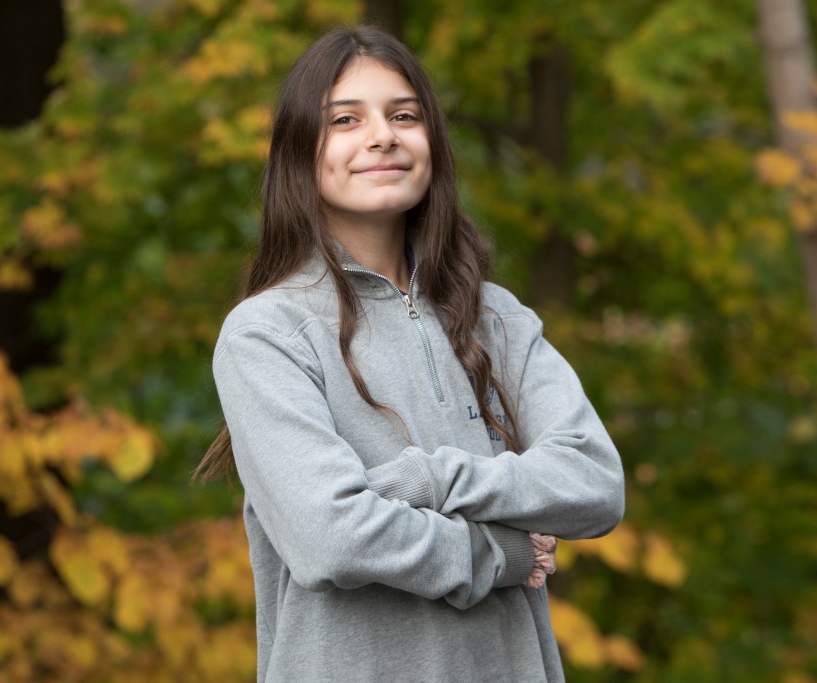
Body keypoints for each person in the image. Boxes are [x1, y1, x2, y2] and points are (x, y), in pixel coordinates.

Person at [194, 26, 625, 683]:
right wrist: (497, 552)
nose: (382, 136)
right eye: (346, 119)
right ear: (301, 151)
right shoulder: (268, 334)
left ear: (433, 145)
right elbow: (330, 536)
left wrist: (427, 479)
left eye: (404, 115)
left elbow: (594, 481)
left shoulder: (497, 318)